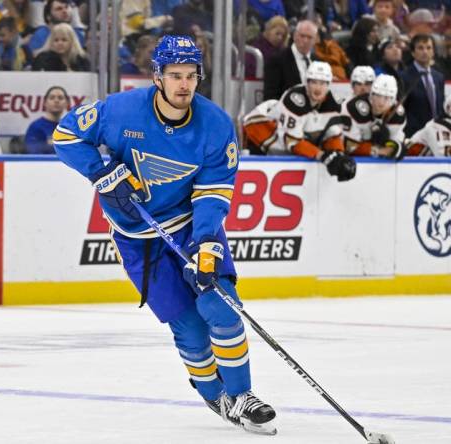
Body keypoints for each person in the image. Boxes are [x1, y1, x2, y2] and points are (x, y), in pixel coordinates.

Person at [52, 35, 277, 434]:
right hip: (136, 234)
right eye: (175, 75)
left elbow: (213, 192)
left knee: (220, 306)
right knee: (188, 326)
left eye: (191, 76)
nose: (184, 85)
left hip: (191, 225)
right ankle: (214, 395)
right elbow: (67, 136)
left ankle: (242, 394)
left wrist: (207, 245)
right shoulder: (121, 109)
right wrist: (101, 173)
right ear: (157, 76)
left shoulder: (215, 125)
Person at [242, 61, 356, 181]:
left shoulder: (332, 103)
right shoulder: (295, 100)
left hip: (283, 138)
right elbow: (292, 142)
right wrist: (323, 156)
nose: (318, 87)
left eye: (322, 83)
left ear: (328, 85)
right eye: (314, 82)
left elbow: (332, 133)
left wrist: (339, 155)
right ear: (306, 83)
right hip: (259, 130)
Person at [341, 74, 406, 159]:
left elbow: (397, 146)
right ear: (371, 94)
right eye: (378, 96)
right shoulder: (354, 108)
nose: (381, 103)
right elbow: (349, 146)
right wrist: (377, 149)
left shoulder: (398, 115)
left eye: (386, 98)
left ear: (393, 100)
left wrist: (391, 146)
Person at [401, 33, 444, 137]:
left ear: (433, 52)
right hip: (413, 134)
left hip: (436, 133)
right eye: (420, 48)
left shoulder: (439, 77)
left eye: (429, 48)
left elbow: (440, 107)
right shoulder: (404, 77)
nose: (425, 52)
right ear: (413, 52)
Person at [263, 19, 317, 100]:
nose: (305, 40)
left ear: (315, 40)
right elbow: (270, 96)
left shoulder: (318, 61)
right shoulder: (277, 60)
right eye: (302, 36)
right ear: (295, 36)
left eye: (309, 37)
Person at [24, 85, 68, 154]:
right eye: (52, 98)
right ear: (45, 103)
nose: (56, 101)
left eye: (60, 98)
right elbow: (33, 152)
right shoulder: (35, 127)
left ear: (66, 103)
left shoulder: (69, 128)